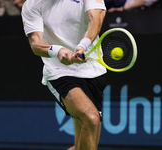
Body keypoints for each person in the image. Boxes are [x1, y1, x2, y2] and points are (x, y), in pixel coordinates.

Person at [21, 0, 107, 150]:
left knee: (83, 144)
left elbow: (96, 20)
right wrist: (59, 51)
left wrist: (82, 46)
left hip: (93, 69)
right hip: (59, 71)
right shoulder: (32, 4)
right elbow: (35, 43)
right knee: (91, 119)